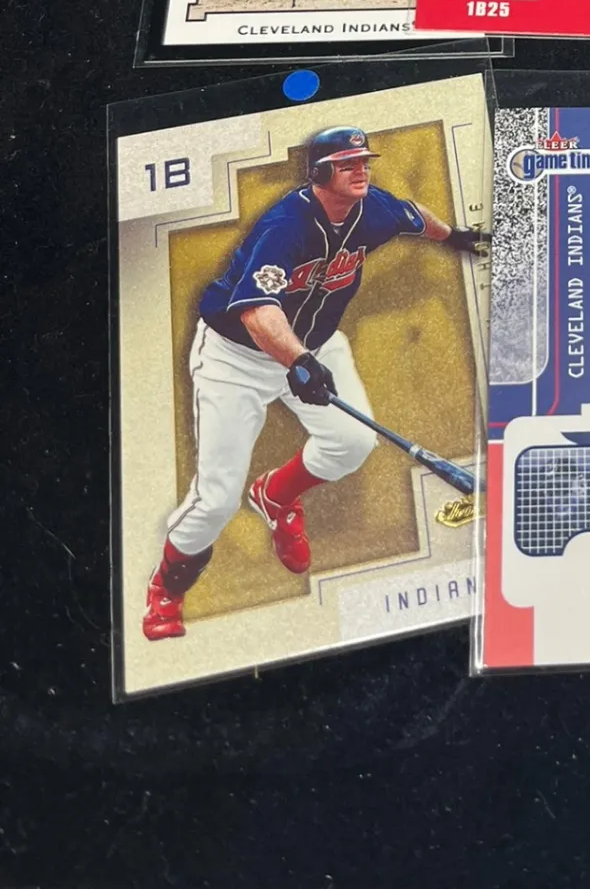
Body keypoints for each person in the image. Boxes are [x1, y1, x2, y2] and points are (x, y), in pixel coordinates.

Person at [142, 127, 484, 640]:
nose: (362, 170)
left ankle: (276, 496)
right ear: (320, 172)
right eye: (348, 163)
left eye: (364, 161)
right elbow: (258, 313)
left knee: (352, 443)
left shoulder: (373, 209)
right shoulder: (286, 225)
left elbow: (415, 215)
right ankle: (166, 589)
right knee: (216, 500)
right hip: (237, 358)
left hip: (314, 347)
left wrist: (453, 236)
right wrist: (298, 360)